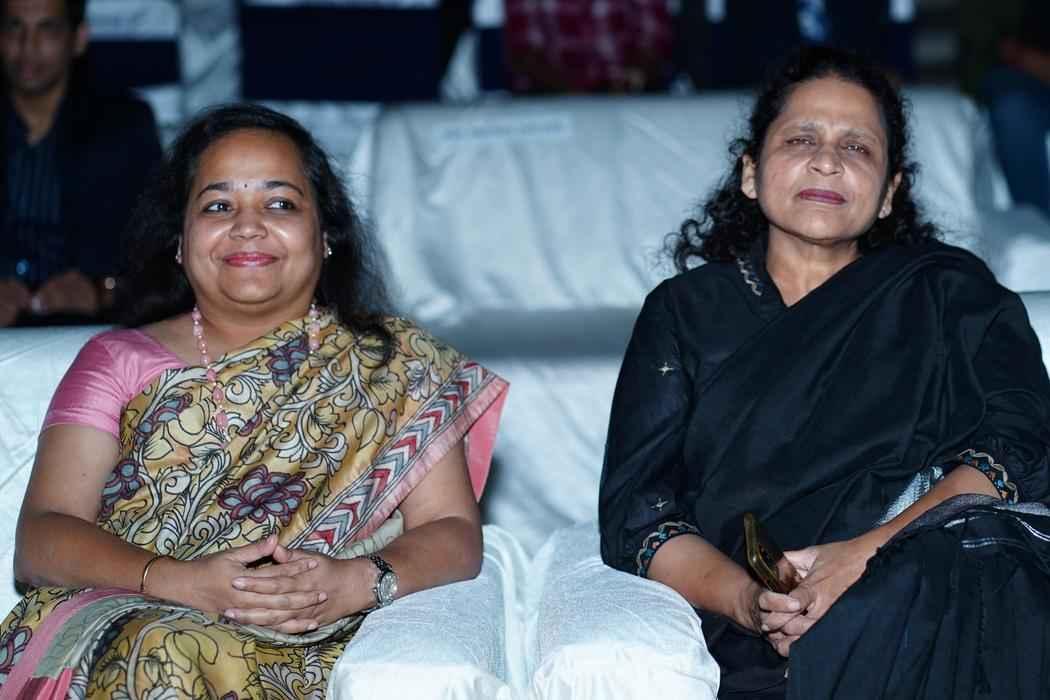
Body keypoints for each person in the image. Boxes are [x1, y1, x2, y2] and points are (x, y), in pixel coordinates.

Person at [0, 104, 509, 697]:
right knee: (162, 647)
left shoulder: (394, 365)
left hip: (311, 632)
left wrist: (355, 582)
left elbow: (451, 528)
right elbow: (42, 538)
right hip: (129, 612)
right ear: (179, 241)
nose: (247, 226)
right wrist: (179, 581)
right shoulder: (116, 360)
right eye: (218, 206)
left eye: (280, 204)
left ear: (325, 237)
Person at [599, 45, 1050, 698]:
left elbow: (1020, 441)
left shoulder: (949, 293)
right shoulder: (685, 313)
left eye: (857, 147)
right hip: (762, 626)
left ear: (890, 193)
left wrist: (867, 554)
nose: (828, 161)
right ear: (750, 173)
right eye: (800, 139)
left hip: (938, 579)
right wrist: (752, 601)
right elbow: (639, 515)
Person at [0, 0, 162, 327]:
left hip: (91, 333)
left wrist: (101, 291)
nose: (28, 46)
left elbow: (166, 254)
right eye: (14, 28)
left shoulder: (123, 125)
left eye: (47, 29)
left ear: (78, 38)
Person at [503, 0, 673, 94]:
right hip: (550, 104)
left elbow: (654, 41)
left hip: (628, 100)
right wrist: (575, 92)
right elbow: (524, 50)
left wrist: (632, 81)